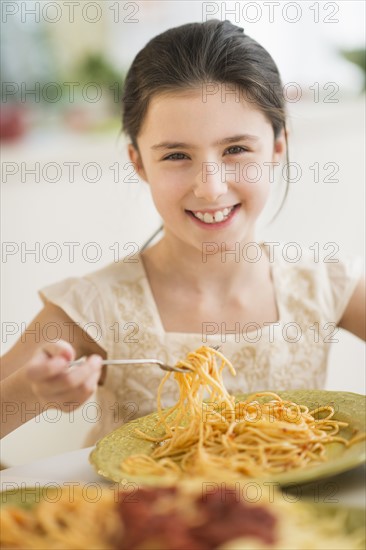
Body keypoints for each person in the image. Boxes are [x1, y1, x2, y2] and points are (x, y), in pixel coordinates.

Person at [1, 20, 364, 444]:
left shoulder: (324, 284)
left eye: (236, 149)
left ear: (277, 147)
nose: (210, 187)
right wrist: (31, 391)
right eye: (176, 155)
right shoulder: (95, 307)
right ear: (138, 163)